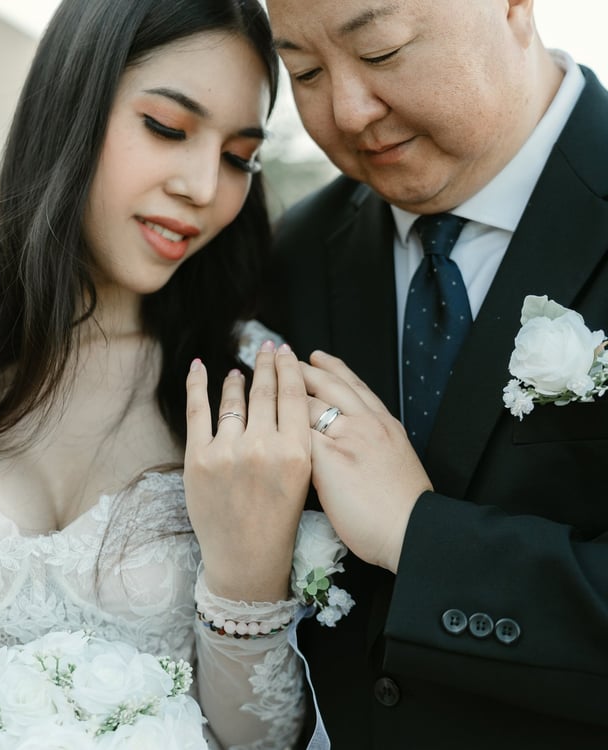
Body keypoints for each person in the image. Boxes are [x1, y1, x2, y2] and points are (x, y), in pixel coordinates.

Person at [0, 0, 312, 747]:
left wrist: (245, 577)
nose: (202, 187)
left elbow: (262, 739)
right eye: (167, 128)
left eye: (238, 157)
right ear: (70, 103)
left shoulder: (253, 386)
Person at [260, 0, 608, 747]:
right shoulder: (294, 253)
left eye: (381, 52)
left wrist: (420, 539)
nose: (349, 112)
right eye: (306, 71)